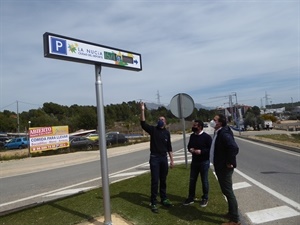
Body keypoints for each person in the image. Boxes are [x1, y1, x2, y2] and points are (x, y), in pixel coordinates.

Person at [140, 102, 174, 213]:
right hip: (154, 158)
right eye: (159, 119)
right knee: (155, 180)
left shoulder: (167, 133)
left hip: (164, 158)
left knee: (163, 180)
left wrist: (172, 160)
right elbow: (143, 123)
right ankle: (153, 202)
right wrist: (142, 110)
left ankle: (164, 198)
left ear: (165, 122)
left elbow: (169, 147)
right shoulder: (153, 130)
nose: (161, 120)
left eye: (163, 119)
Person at [210, 114, 241, 225]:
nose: (212, 121)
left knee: (228, 191)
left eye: (214, 120)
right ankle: (231, 213)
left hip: (224, 168)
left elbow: (233, 148)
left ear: (220, 122)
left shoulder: (224, 133)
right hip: (220, 166)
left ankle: (234, 220)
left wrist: (229, 162)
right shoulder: (219, 132)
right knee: (226, 191)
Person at [183, 120, 212, 207]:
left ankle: (205, 198)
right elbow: (189, 146)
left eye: (195, 125)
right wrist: (191, 149)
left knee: (204, 181)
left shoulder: (207, 137)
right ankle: (191, 197)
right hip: (195, 162)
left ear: (200, 127)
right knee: (192, 180)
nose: (193, 127)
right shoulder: (192, 136)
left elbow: (210, 150)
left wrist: (201, 151)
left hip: (204, 162)